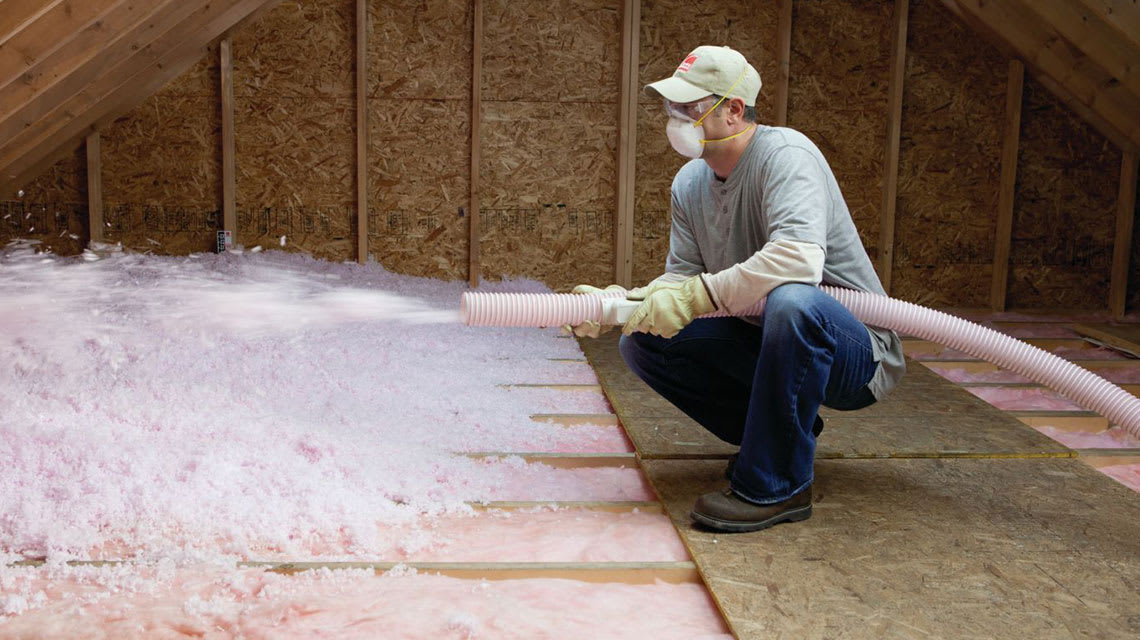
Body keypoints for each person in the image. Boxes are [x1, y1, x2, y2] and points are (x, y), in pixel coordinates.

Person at [568, 45, 905, 533]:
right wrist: (619, 305)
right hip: (765, 332)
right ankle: (782, 438)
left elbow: (799, 259)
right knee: (643, 341)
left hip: (855, 349)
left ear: (733, 109)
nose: (676, 119)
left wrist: (695, 297)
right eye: (671, 108)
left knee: (792, 299)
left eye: (689, 107)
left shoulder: (786, 156)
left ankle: (777, 484)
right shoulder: (689, 183)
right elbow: (682, 281)